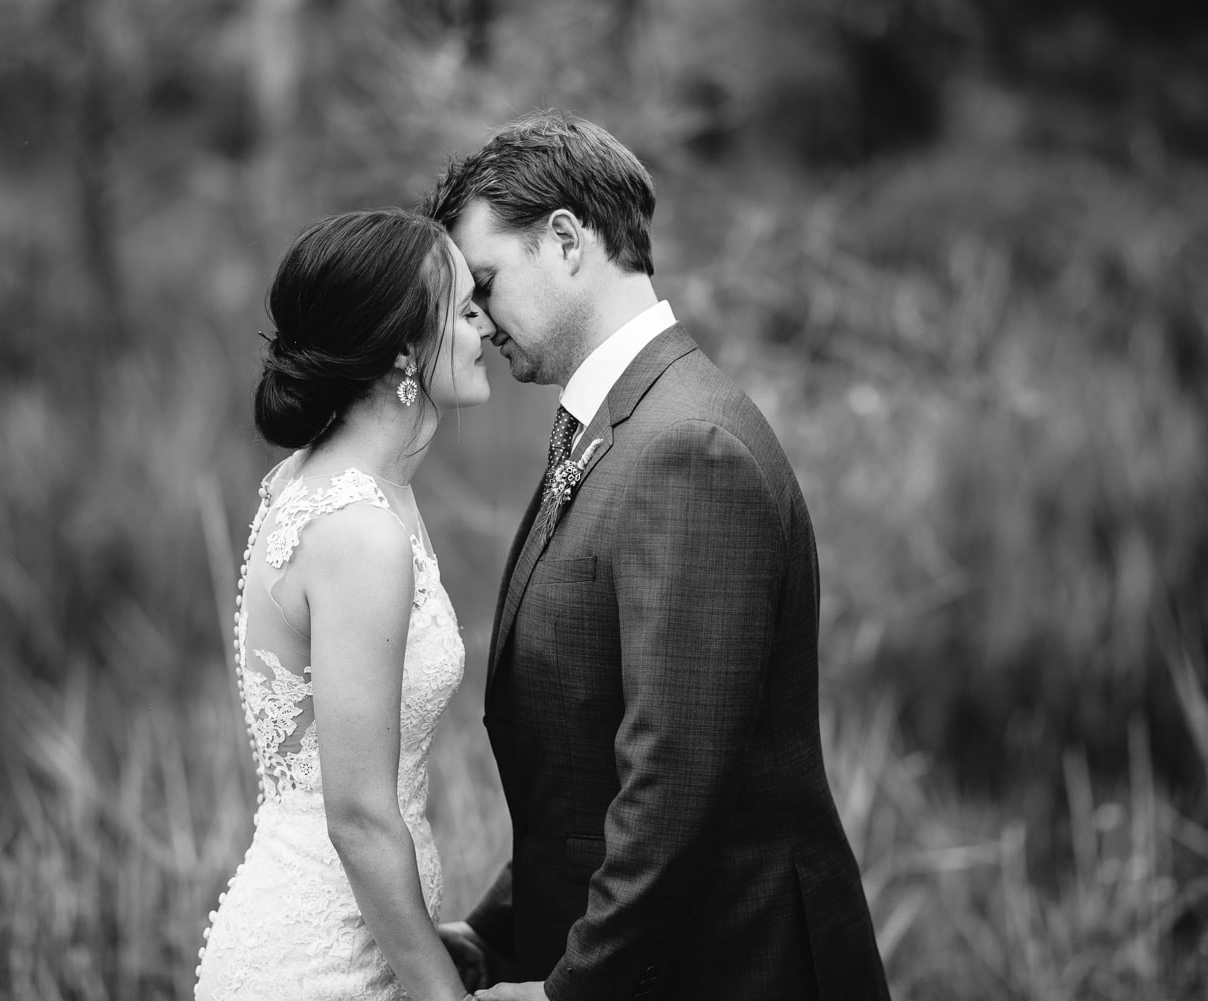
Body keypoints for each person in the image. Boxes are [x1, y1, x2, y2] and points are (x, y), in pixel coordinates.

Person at [421, 111, 891, 1001]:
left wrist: (569, 994)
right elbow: (588, 780)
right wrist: (495, 936)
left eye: (484, 281)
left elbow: (672, 788)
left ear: (566, 240)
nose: (475, 319)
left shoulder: (690, 447)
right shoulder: (615, 425)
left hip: (740, 970)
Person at [193, 208, 493, 1001]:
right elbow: (358, 812)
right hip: (317, 967)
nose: (486, 326)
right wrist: (437, 986)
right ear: (402, 346)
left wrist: (425, 935)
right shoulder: (359, 529)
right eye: (465, 311)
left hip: (361, 936)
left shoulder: (329, 479)